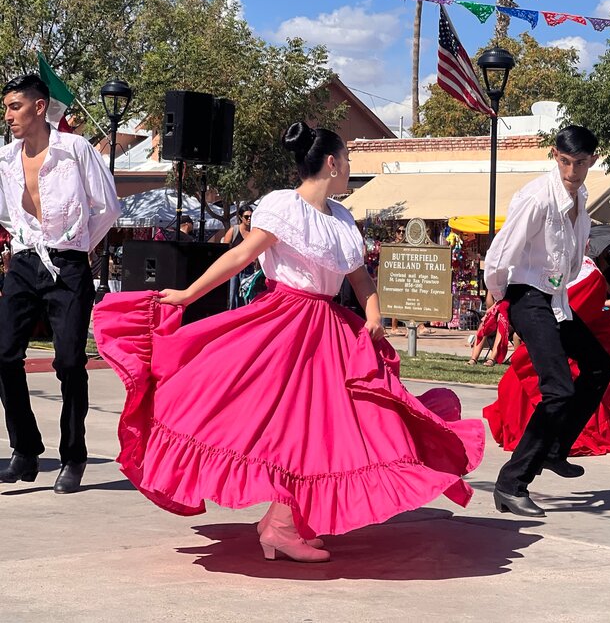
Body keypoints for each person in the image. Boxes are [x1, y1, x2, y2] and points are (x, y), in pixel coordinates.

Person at [93, 122, 484, 562]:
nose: (350, 166)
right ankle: (281, 525)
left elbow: (359, 277)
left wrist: (374, 315)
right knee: (287, 426)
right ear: (332, 164)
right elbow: (240, 255)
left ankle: (282, 521)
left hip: (330, 330)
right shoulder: (283, 206)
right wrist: (186, 294)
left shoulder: (340, 219)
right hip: (284, 322)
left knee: (323, 428)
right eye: (348, 159)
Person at [484, 125, 610, 518]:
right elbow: (501, 250)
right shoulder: (538, 197)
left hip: (555, 299)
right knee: (558, 390)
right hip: (526, 296)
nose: (572, 171)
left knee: (598, 366)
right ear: (555, 156)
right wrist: (500, 297)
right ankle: (511, 484)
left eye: (580, 163)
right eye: (565, 162)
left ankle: (556, 449)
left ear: (592, 159)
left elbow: (569, 258)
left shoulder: (581, 197)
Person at [0, 74, 121, 492]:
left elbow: (107, 206)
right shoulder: (6, 157)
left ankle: (74, 455)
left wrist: (81, 244)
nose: (8, 115)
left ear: (38, 107)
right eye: (6, 108)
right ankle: (25, 451)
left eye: (14, 106)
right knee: (3, 354)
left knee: (69, 362)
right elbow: (5, 210)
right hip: (25, 261)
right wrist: (22, 242)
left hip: (67, 265)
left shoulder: (75, 150)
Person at [484, 256, 610, 457]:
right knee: (563, 386)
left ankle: (537, 452)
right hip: (560, 335)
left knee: (555, 385)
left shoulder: (573, 267)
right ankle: (536, 455)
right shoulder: (588, 272)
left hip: (551, 333)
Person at [222, 204, 254, 309]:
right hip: (233, 269)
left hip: (248, 269)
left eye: (251, 216)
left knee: (246, 298)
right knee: (232, 296)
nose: (249, 219)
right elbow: (224, 250)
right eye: (246, 216)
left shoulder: (254, 233)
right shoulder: (234, 230)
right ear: (240, 217)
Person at [468, 292, 509, 367]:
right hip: (495, 320)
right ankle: (473, 359)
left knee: (501, 321)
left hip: (510, 322)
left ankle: (492, 359)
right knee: (485, 323)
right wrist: (490, 290)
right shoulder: (496, 288)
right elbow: (489, 306)